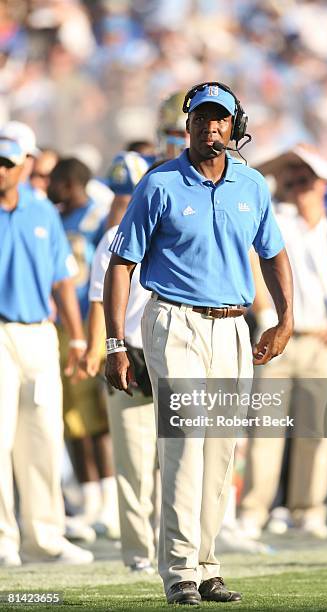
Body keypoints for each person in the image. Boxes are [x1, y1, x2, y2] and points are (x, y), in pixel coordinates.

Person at [103, 82, 293, 605]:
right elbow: (121, 265)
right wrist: (115, 342)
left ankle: (207, 564)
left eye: (221, 119)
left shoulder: (252, 185)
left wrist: (285, 318)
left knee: (220, 450)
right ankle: (180, 570)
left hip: (234, 327)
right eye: (203, 118)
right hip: (175, 322)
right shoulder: (158, 183)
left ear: (235, 126)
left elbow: (274, 254)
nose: (212, 127)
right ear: (187, 124)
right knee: (186, 443)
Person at [238, 145, 327, 540]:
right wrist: (267, 316)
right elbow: (255, 266)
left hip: (321, 339)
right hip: (277, 336)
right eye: (291, 180)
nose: (298, 187)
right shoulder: (274, 217)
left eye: (306, 180)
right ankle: (254, 510)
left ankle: (309, 509)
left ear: (320, 185)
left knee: (315, 431)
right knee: (265, 429)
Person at [0, 138, 93, 565]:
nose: (1, 171)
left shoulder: (42, 213)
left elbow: (62, 280)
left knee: (44, 436)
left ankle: (45, 538)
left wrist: (76, 337)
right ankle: (4, 540)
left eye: (7, 164)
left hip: (39, 334)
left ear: (23, 167)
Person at [81, 150, 156, 573]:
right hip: (130, 352)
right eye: (118, 194)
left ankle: (173, 549)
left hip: (170, 352)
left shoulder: (165, 228)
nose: (121, 202)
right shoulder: (111, 238)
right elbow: (97, 298)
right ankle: (138, 553)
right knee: (133, 461)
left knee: (176, 461)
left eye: (128, 193)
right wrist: (103, 348)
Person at [47, 157, 117, 537]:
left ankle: (110, 498)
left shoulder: (97, 217)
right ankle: (90, 499)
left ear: (70, 182)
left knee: (101, 416)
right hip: (61, 323)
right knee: (75, 417)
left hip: (92, 321)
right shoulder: (56, 217)